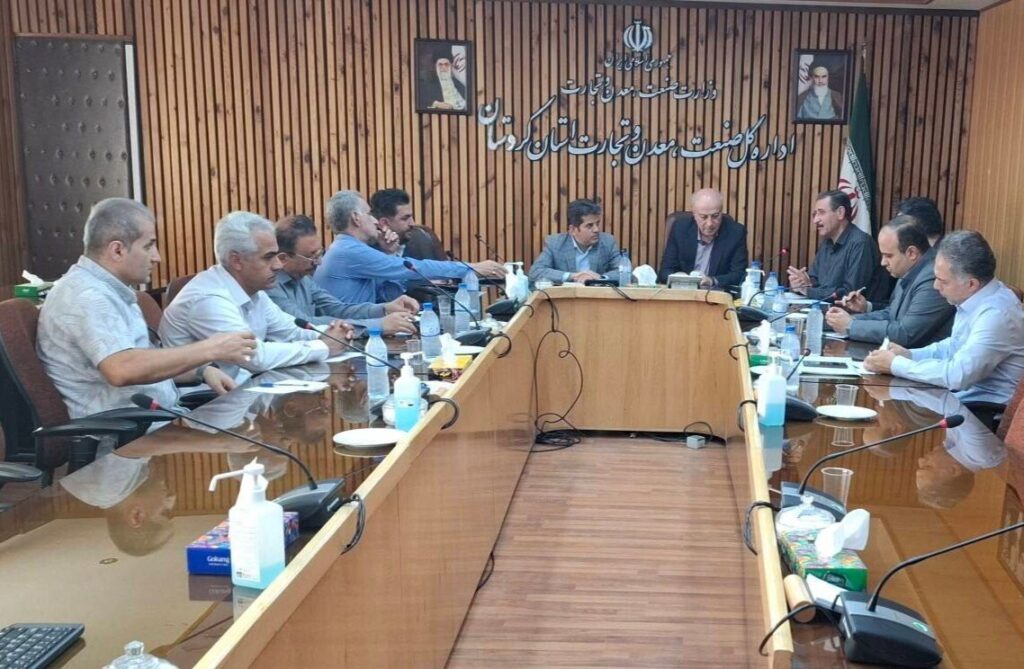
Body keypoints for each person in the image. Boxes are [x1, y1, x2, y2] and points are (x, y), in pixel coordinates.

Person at [37, 198, 256, 420]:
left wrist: (202, 370)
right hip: (130, 432)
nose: (157, 257)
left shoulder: (111, 290)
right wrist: (211, 348)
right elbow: (121, 369)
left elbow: (140, 364)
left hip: (156, 419)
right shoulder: (87, 296)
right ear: (117, 250)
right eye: (148, 246)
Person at [160, 211, 354, 382]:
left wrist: (332, 334)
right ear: (236, 260)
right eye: (268, 257)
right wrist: (323, 346)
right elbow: (254, 357)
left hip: (242, 393)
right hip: (203, 404)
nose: (278, 265)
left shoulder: (255, 292)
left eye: (277, 255)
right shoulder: (208, 299)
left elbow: (291, 330)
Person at [864, 231, 1024, 408]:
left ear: (971, 284)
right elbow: (952, 347)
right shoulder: (976, 298)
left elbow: (957, 376)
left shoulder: (996, 315)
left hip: (981, 413)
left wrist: (895, 365)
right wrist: (910, 355)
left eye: (943, 281)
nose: (935, 286)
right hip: (955, 401)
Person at [314, 190, 504, 304]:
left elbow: (389, 294)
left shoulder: (350, 248)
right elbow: (416, 267)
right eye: (368, 214)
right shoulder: (349, 251)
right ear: (356, 218)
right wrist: (470, 268)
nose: (374, 220)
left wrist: (390, 254)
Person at [265, 214, 418, 335]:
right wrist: (378, 325)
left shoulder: (304, 279)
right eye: (312, 257)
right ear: (284, 258)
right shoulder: (270, 286)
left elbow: (338, 309)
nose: (319, 262)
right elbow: (305, 324)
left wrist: (384, 309)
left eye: (319, 253)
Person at [825, 216, 953, 347]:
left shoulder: (934, 278)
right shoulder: (909, 269)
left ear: (911, 253)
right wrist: (848, 320)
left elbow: (906, 334)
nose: (883, 262)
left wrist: (852, 325)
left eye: (888, 256)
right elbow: (892, 314)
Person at [787, 190, 887, 302]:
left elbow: (850, 293)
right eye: (814, 214)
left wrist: (808, 291)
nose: (815, 220)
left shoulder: (861, 244)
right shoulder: (826, 243)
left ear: (840, 213)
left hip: (851, 311)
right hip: (824, 307)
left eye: (821, 213)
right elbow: (815, 280)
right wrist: (802, 283)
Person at [658, 188, 748, 288]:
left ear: (721, 212)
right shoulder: (680, 229)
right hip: (683, 291)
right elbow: (665, 271)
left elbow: (739, 274)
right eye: (703, 217)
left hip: (715, 293)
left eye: (715, 216)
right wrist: (678, 277)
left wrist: (712, 280)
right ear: (694, 214)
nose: (710, 223)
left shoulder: (735, 233)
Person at [528, 199, 623, 284]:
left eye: (597, 224)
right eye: (589, 225)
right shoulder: (555, 243)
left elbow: (625, 272)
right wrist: (572, 276)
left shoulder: (607, 242)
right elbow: (536, 272)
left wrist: (600, 278)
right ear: (573, 229)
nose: (596, 229)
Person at [370, 189, 447, 261]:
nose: (412, 223)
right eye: (405, 218)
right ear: (385, 223)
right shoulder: (369, 252)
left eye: (411, 217)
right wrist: (389, 254)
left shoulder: (420, 241)